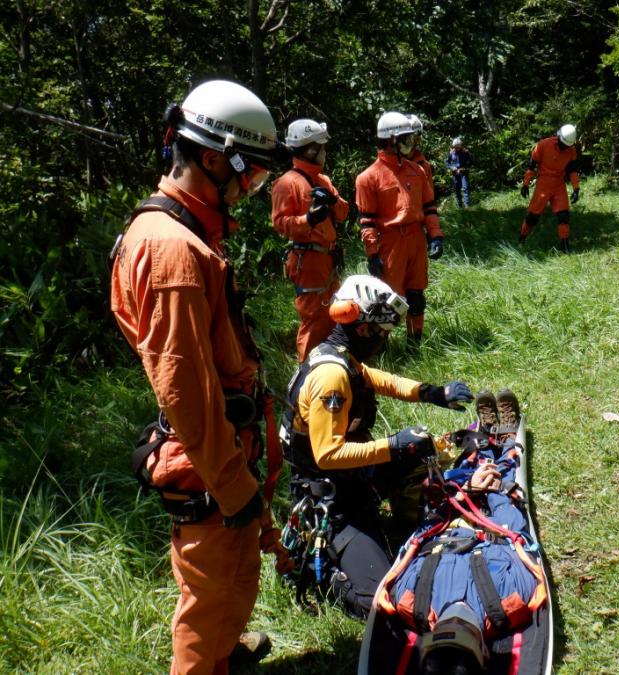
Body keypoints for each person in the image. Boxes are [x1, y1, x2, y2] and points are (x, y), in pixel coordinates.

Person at [109, 80, 293, 673]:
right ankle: (204, 662)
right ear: (216, 159)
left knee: (237, 571)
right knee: (210, 589)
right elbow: (184, 390)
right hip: (208, 451)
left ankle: (225, 652)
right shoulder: (172, 252)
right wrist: (236, 487)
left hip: (225, 444)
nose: (252, 190)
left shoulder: (184, 233)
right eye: (254, 176)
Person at [280, 274, 473, 619]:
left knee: (420, 449)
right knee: (380, 603)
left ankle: (404, 520)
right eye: (382, 332)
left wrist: (432, 393)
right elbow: (328, 455)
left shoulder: (340, 357)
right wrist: (393, 445)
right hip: (332, 499)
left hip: (354, 478)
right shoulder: (331, 377)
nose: (384, 340)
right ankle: (322, 574)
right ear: (364, 327)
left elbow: (376, 379)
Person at [368, 391, 551, 675]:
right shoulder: (512, 599)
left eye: (446, 630)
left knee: (468, 466)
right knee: (500, 471)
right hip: (491, 515)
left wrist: (466, 492)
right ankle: (505, 443)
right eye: (463, 628)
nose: (455, 621)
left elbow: (420, 538)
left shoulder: (408, 598)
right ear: (485, 649)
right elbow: (514, 534)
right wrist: (492, 493)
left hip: (452, 515)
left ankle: (483, 442)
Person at [356, 112, 445, 344]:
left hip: (416, 239)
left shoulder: (418, 171)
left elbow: (429, 207)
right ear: (391, 140)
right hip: (390, 242)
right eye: (406, 138)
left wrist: (436, 235)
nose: (411, 142)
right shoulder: (368, 178)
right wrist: (372, 254)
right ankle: (379, 346)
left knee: (416, 297)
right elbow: (367, 220)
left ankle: (415, 344)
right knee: (388, 300)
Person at [271, 118, 351, 361]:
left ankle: (329, 364)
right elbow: (281, 224)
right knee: (314, 318)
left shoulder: (323, 180)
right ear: (310, 149)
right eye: (321, 147)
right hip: (307, 260)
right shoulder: (287, 184)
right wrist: (309, 220)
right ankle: (305, 372)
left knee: (334, 314)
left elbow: (345, 213)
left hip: (329, 258)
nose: (324, 152)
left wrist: (332, 201)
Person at [518, 124, 580, 253]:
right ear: (558, 137)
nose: (565, 148)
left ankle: (565, 247)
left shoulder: (571, 150)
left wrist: (576, 188)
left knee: (564, 216)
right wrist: (525, 184)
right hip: (543, 184)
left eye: (567, 146)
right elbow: (532, 166)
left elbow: (573, 170)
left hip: (559, 184)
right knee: (533, 216)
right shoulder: (543, 145)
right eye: (563, 145)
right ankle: (522, 239)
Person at [446, 137, 474, 208]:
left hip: (463, 173)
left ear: (461, 145)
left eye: (459, 146)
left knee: (465, 188)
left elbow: (470, 162)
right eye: (456, 147)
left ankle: (467, 206)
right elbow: (447, 162)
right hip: (455, 174)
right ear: (454, 146)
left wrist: (464, 168)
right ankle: (459, 206)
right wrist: (452, 167)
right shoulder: (451, 153)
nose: (457, 148)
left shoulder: (465, 152)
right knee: (457, 189)